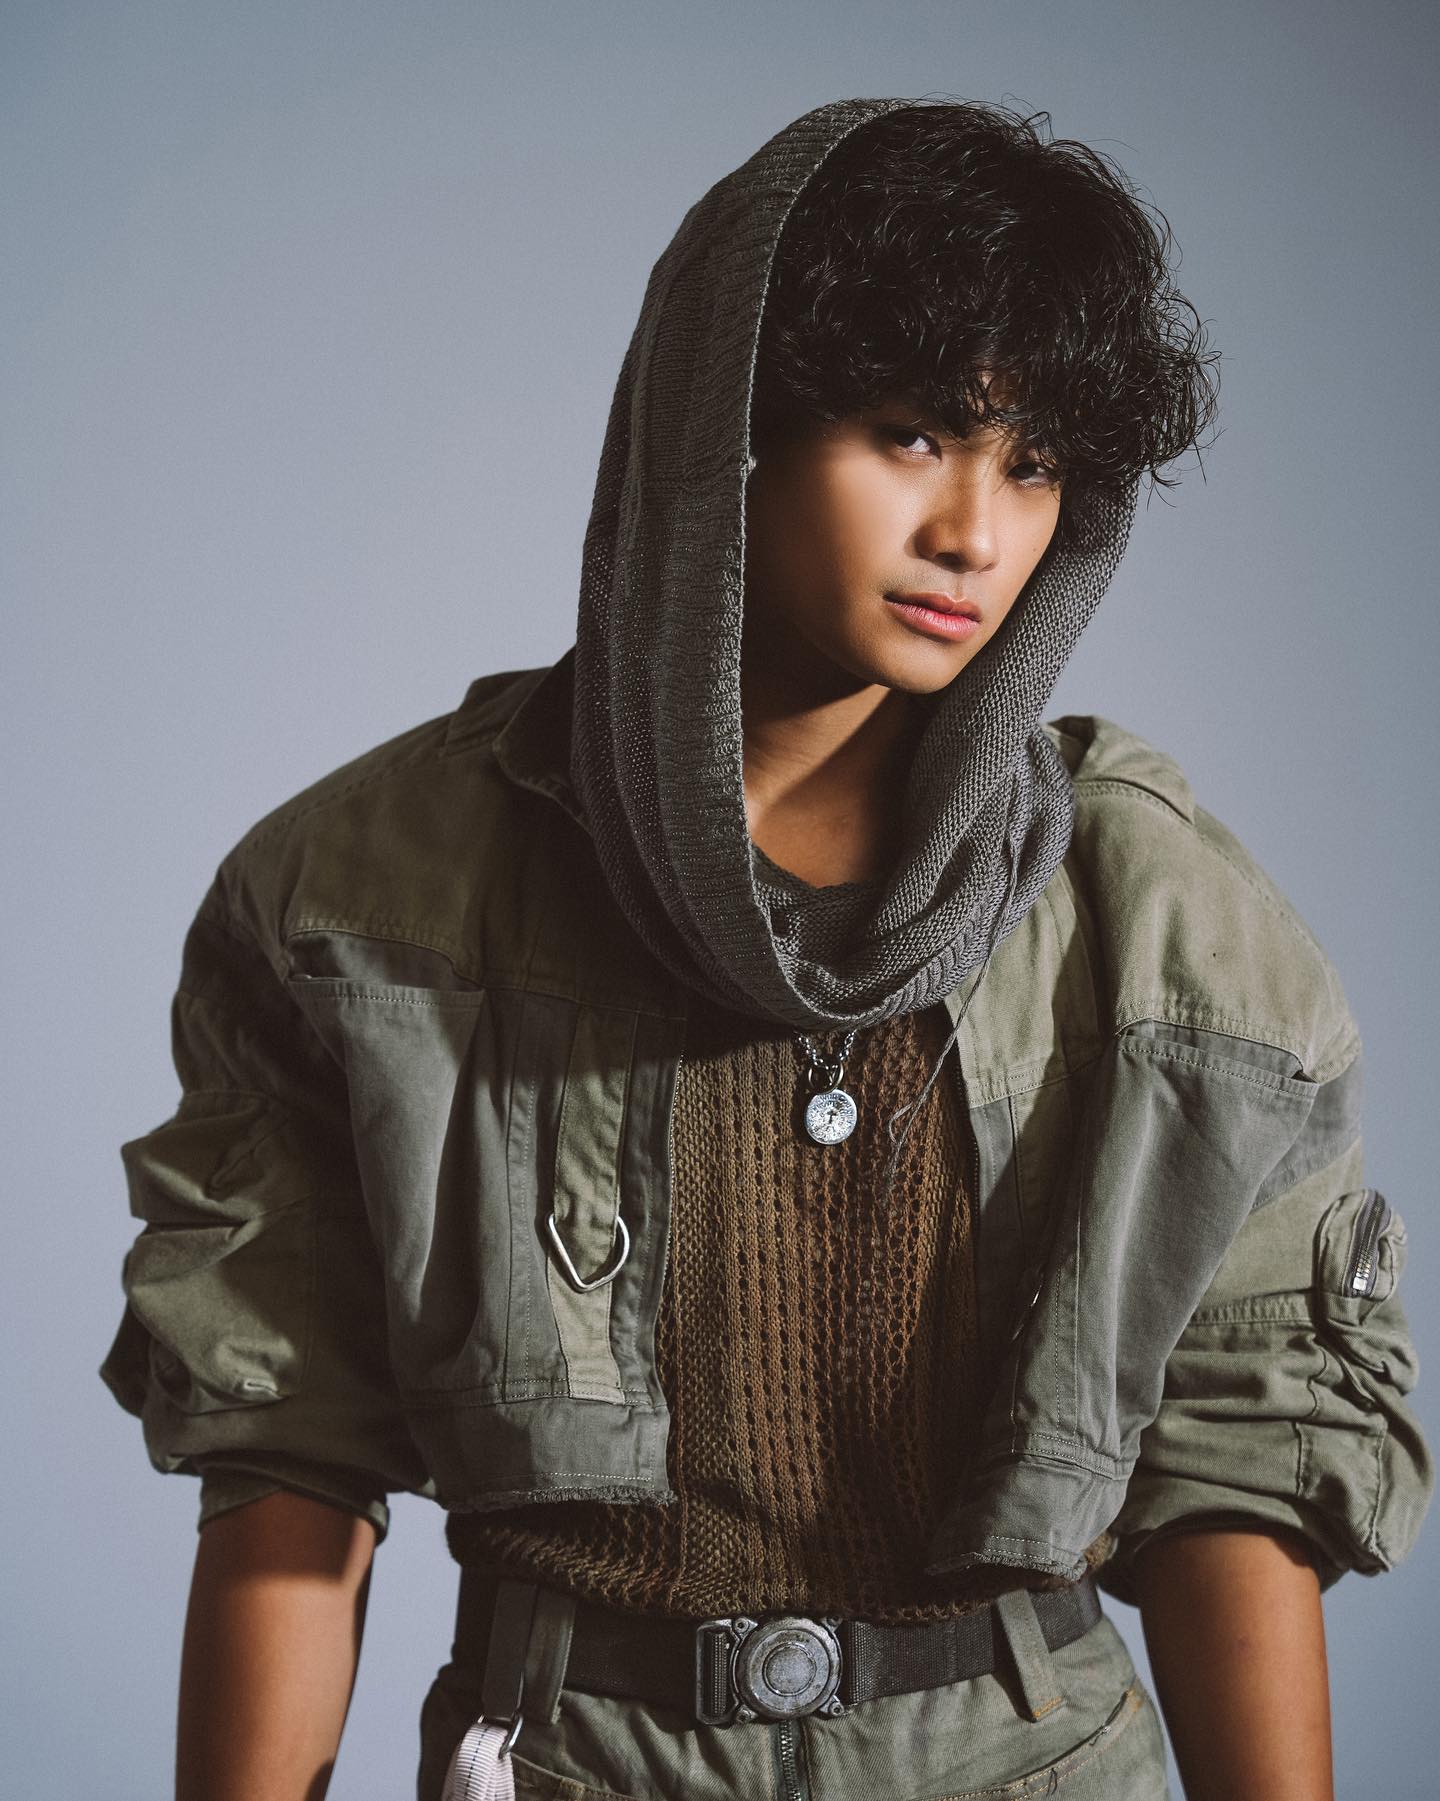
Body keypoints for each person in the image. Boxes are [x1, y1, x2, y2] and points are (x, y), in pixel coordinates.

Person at [99, 97, 1432, 1801]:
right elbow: (287, 1463)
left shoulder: (1169, 923)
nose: (975, 532)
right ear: (723, 431)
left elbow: (1237, 1479)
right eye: (910, 434)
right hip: (572, 1759)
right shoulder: (359, 899)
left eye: (1033, 464)